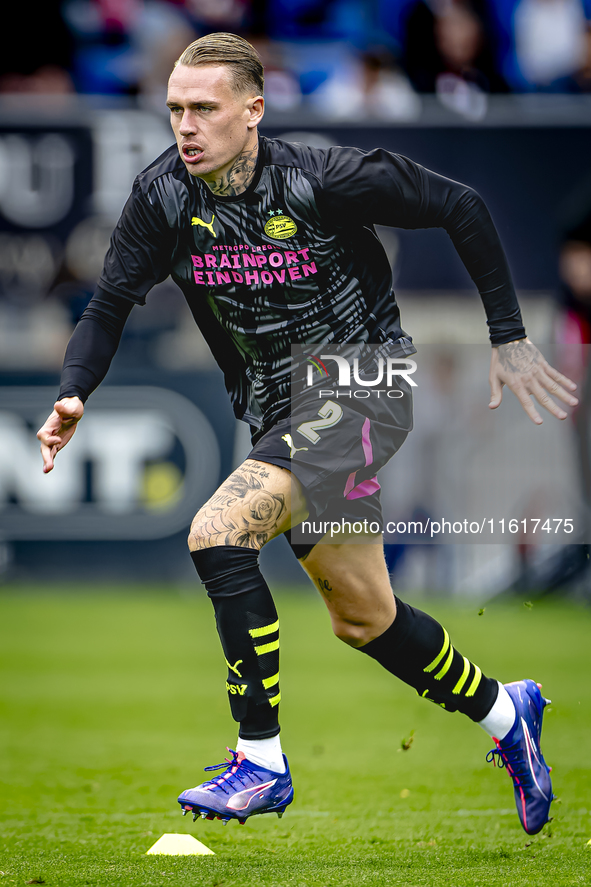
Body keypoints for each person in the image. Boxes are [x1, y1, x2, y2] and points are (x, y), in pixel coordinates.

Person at [37, 32, 577, 835]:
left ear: (252, 111)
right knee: (364, 618)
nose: (185, 126)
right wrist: (74, 392)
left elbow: (459, 204)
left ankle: (259, 760)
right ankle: (507, 713)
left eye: (204, 110)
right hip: (277, 403)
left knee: (218, 534)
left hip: (360, 383)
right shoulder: (162, 198)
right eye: (175, 110)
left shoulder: (319, 176)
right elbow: (108, 304)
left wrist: (507, 334)